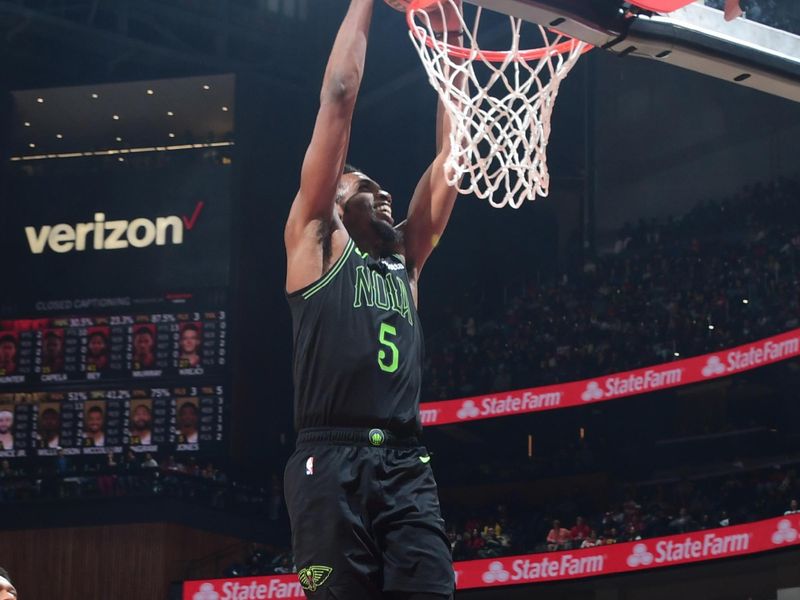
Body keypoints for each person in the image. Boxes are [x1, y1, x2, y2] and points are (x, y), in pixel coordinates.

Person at [282, 1, 463, 597]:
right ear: (333, 202)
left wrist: (453, 46)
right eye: (365, 186)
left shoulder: (407, 260)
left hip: (407, 463)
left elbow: (452, 158)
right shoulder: (316, 244)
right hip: (329, 461)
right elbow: (338, 96)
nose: (383, 191)